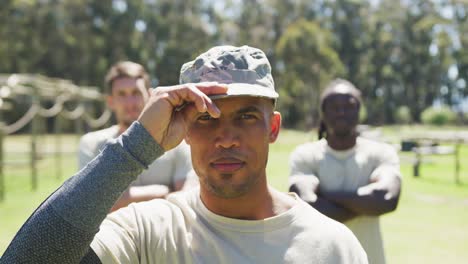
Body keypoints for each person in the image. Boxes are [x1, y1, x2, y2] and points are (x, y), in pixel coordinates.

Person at [2, 46, 367, 263]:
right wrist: (137, 145)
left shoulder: (332, 245)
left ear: (272, 129)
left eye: (246, 117)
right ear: (186, 131)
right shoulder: (148, 230)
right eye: (206, 118)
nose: (226, 137)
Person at [288, 79, 402, 264]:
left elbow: (387, 199)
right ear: (323, 114)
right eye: (334, 106)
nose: (341, 112)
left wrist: (325, 197)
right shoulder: (305, 155)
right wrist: (366, 204)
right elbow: (307, 205)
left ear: (359, 111)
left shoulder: (381, 153)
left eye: (349, 106)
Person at [78, 61, 192, 211]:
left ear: (150, 96)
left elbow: (185, 200)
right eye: (122, 94)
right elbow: (89, 202)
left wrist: (119, 197)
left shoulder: (177, 143)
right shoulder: (92, 144)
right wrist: (163, 190)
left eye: (136, 93)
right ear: (110, 101)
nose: (130, 103)